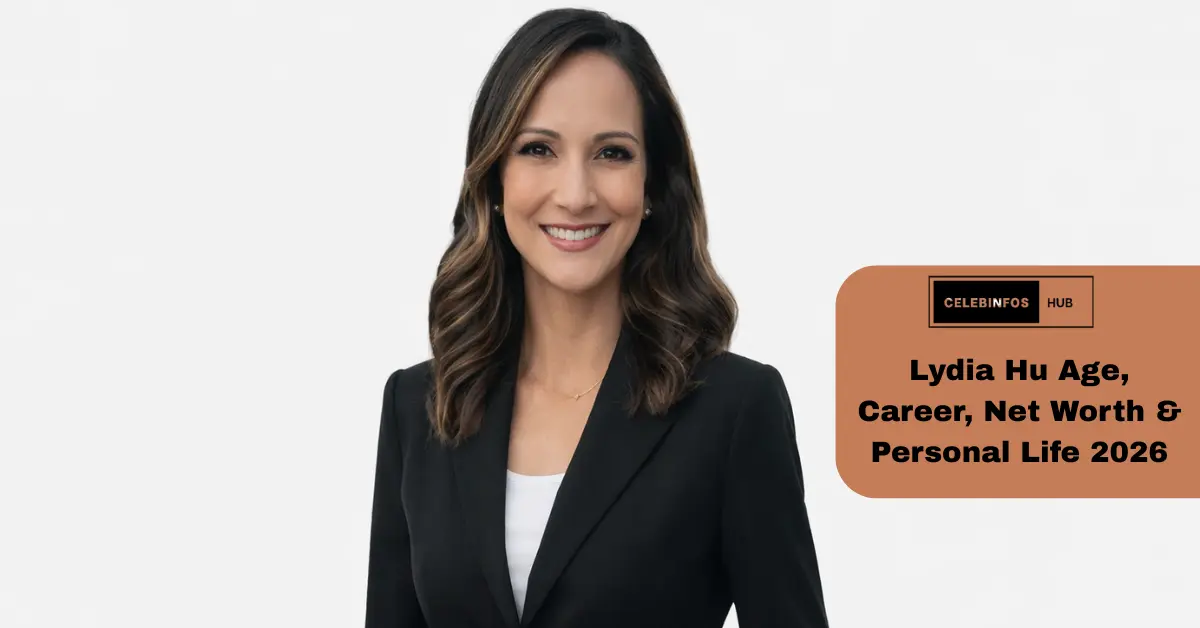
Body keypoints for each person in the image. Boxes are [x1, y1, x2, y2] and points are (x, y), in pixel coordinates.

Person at [365, 8, 828, 627]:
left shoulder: (735, 409)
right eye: (538, 149)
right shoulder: (418, 403)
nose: (576, 193)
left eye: (611, 153)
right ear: (496, 180)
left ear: (653, 186)